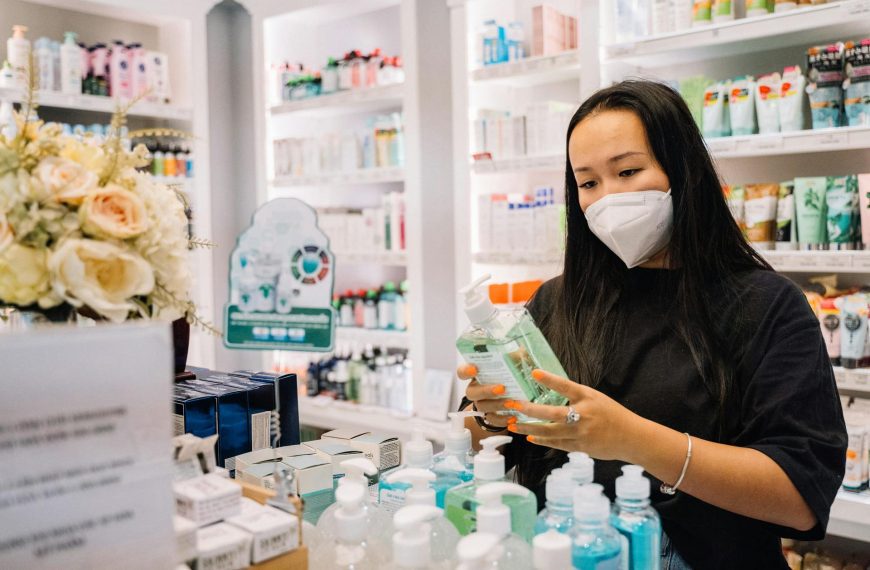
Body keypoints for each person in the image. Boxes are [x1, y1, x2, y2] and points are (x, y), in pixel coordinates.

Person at [457, 80, 847, 569]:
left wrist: (632, 438)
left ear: (683, 171)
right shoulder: (556, 301)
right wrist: (492, 412)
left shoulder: (768, 306)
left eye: (627, 171)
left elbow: (799, 499)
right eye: (589, 183)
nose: (607, 198)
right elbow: (485, 441)